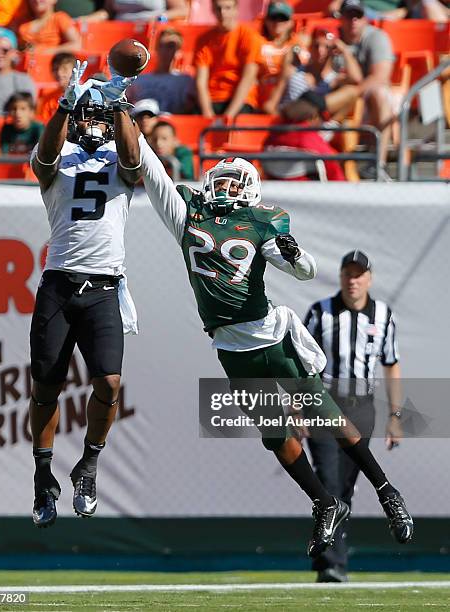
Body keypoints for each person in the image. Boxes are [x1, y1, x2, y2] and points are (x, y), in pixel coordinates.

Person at [138, 137, 413, 557]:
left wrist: (294, 252)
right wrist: (129, 122)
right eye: (223, 180)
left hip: (271, 337)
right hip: (230, 347)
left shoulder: (262, 219)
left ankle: (387, 491)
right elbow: (153, 173)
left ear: (249, 190)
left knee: (327, 415)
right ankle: (325, 502)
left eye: (235, 183)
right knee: (275, 435)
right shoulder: (188, 210)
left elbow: (305, 271)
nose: (227, 188)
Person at [29, 61, 141, 527]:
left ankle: (89, 464)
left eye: (101, 116)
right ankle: (42, 476)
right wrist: (61, 107)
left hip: (104, 287)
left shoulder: (122, 157)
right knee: (46, 389)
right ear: (76, 119)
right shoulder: (60, 152)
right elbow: (44, 161)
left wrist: (118, 107)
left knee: (110, 383)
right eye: (87, 115)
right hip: (59, 283)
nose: (94, 122)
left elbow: (134, 163)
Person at [305, 250, 404, 582]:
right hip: (325, 402)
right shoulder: (321, 313)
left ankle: (335, 560)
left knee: (346, 486)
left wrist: (395, 415)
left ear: (369, 279)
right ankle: (330, 565)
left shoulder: (384, 315)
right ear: (341, 277)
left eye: (359, 274)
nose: (353, 280)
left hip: (362, 406)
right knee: (328, 481)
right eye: (348, 274)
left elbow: (391, 364)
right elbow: (302, 363)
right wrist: (297, 406)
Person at [336, 0, 395, 176]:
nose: (353, 20)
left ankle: (379, 164)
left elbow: (380, 77)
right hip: (341, 97)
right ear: (341, 18)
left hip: (365, 98)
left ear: (365, 19)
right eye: (348, 15)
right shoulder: (332, 38)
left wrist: (352, 93)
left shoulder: (376, 37)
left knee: (379, 94)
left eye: (358, 16)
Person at [194, 0, 263, 119]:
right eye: (218, 8)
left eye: (228, 8)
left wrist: (228, 116)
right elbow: (201, 81)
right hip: (212, 99)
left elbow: (248, 79)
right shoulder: (203, 40)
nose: (223, 13)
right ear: (213, 10)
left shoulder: (250, 37)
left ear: (236, 10)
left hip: (240, 100)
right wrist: (207, 113)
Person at [262, 93, 349, 181]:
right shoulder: (308, 137)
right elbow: (335, 173)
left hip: (273, 190)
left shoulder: (274, 134)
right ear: (314, 116)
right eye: (322, 119)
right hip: (308, 191)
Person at [126, 27, 196, 114]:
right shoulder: (138, 79)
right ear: (156, 48)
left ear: (178, 51)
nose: (164, 50)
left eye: (170, 46)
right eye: (161, 46)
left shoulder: (185, 81)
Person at [258, 1, 297, 111]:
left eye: (282, 18)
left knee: (290, 68)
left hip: (288, 97)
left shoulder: (297, 44)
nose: (278, 22)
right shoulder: (257, 43)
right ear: (266, 21)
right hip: (262, 94)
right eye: (273, 18)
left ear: (291, 22)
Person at [36, 52, 77, 124]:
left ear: (74, 70)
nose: (59, 73)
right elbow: (44, 123)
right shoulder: (49, 99)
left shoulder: (83, 95)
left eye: (64, 69)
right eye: (55, 69)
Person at [101, 0, 188, 22]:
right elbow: (108, 12)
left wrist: (160, 18)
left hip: (152, 33)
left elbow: (182, 10)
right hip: (119, 32)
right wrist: (87, 19)